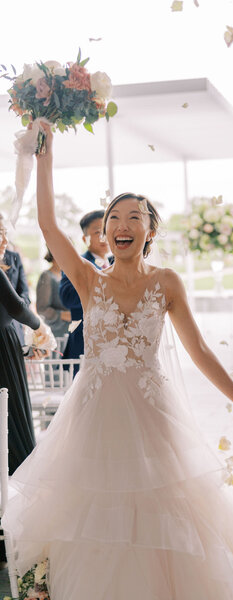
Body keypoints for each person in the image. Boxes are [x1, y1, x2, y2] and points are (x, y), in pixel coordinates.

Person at [3, 124, 233, 600]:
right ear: (105, 232)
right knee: (91, 525)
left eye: (133, 217)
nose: (120, 225)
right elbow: (47, 225)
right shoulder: (86, 279)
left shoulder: (167, 283)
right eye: (113, 217)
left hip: (153, 419)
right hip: (92, 421)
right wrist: (45, 159)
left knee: (170, 522)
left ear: (149, 229)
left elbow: (199, 349)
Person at [0, 268, 51, 562]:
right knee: (10, 428)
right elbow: (17, 306)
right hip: (1, 351)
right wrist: (39, 326)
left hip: (5, 344)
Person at [59, 209, 110, 370]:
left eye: (107, 231)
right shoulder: (77, 263)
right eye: (97, 232)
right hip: (85, 344)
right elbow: (67, 297)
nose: (104, 237)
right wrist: (101, 280)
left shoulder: (119, 262)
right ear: (84, 238)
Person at [0, 213, 31, 346]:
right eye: (1, 233)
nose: (6, 241)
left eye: (5, 233)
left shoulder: (14, 258)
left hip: (14, 330)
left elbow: (24, 293)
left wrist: (17, 306)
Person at [36, 247, 71, 339]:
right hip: (56, 333)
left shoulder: (67, 276)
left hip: (69, 332)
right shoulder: (46, 276)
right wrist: (65, 315)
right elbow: (42, 308)